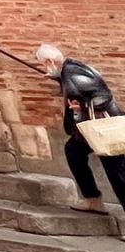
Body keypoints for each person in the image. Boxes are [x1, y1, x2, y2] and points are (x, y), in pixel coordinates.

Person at [37, 44, 125, 213]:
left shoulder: (71, 74)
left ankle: (94, 199)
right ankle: (92, 199)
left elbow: (103, 96)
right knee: (73, 150)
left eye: (44, 63)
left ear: (49, 61)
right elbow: (87, 86)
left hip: (103, 129)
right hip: (89, 130)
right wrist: (57, 78)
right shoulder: (71, 69)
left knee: (118, 175)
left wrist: (82, 107)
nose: (45, 67)